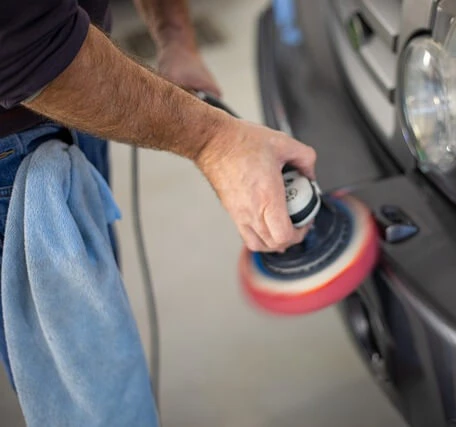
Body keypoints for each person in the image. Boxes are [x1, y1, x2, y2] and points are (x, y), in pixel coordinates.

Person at [0, 0, 316, 425]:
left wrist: (176, 40)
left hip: (73, 90)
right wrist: (214, 143)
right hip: (17, 144)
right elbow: (26, 49)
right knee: (93, 398)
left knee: (107, 352)